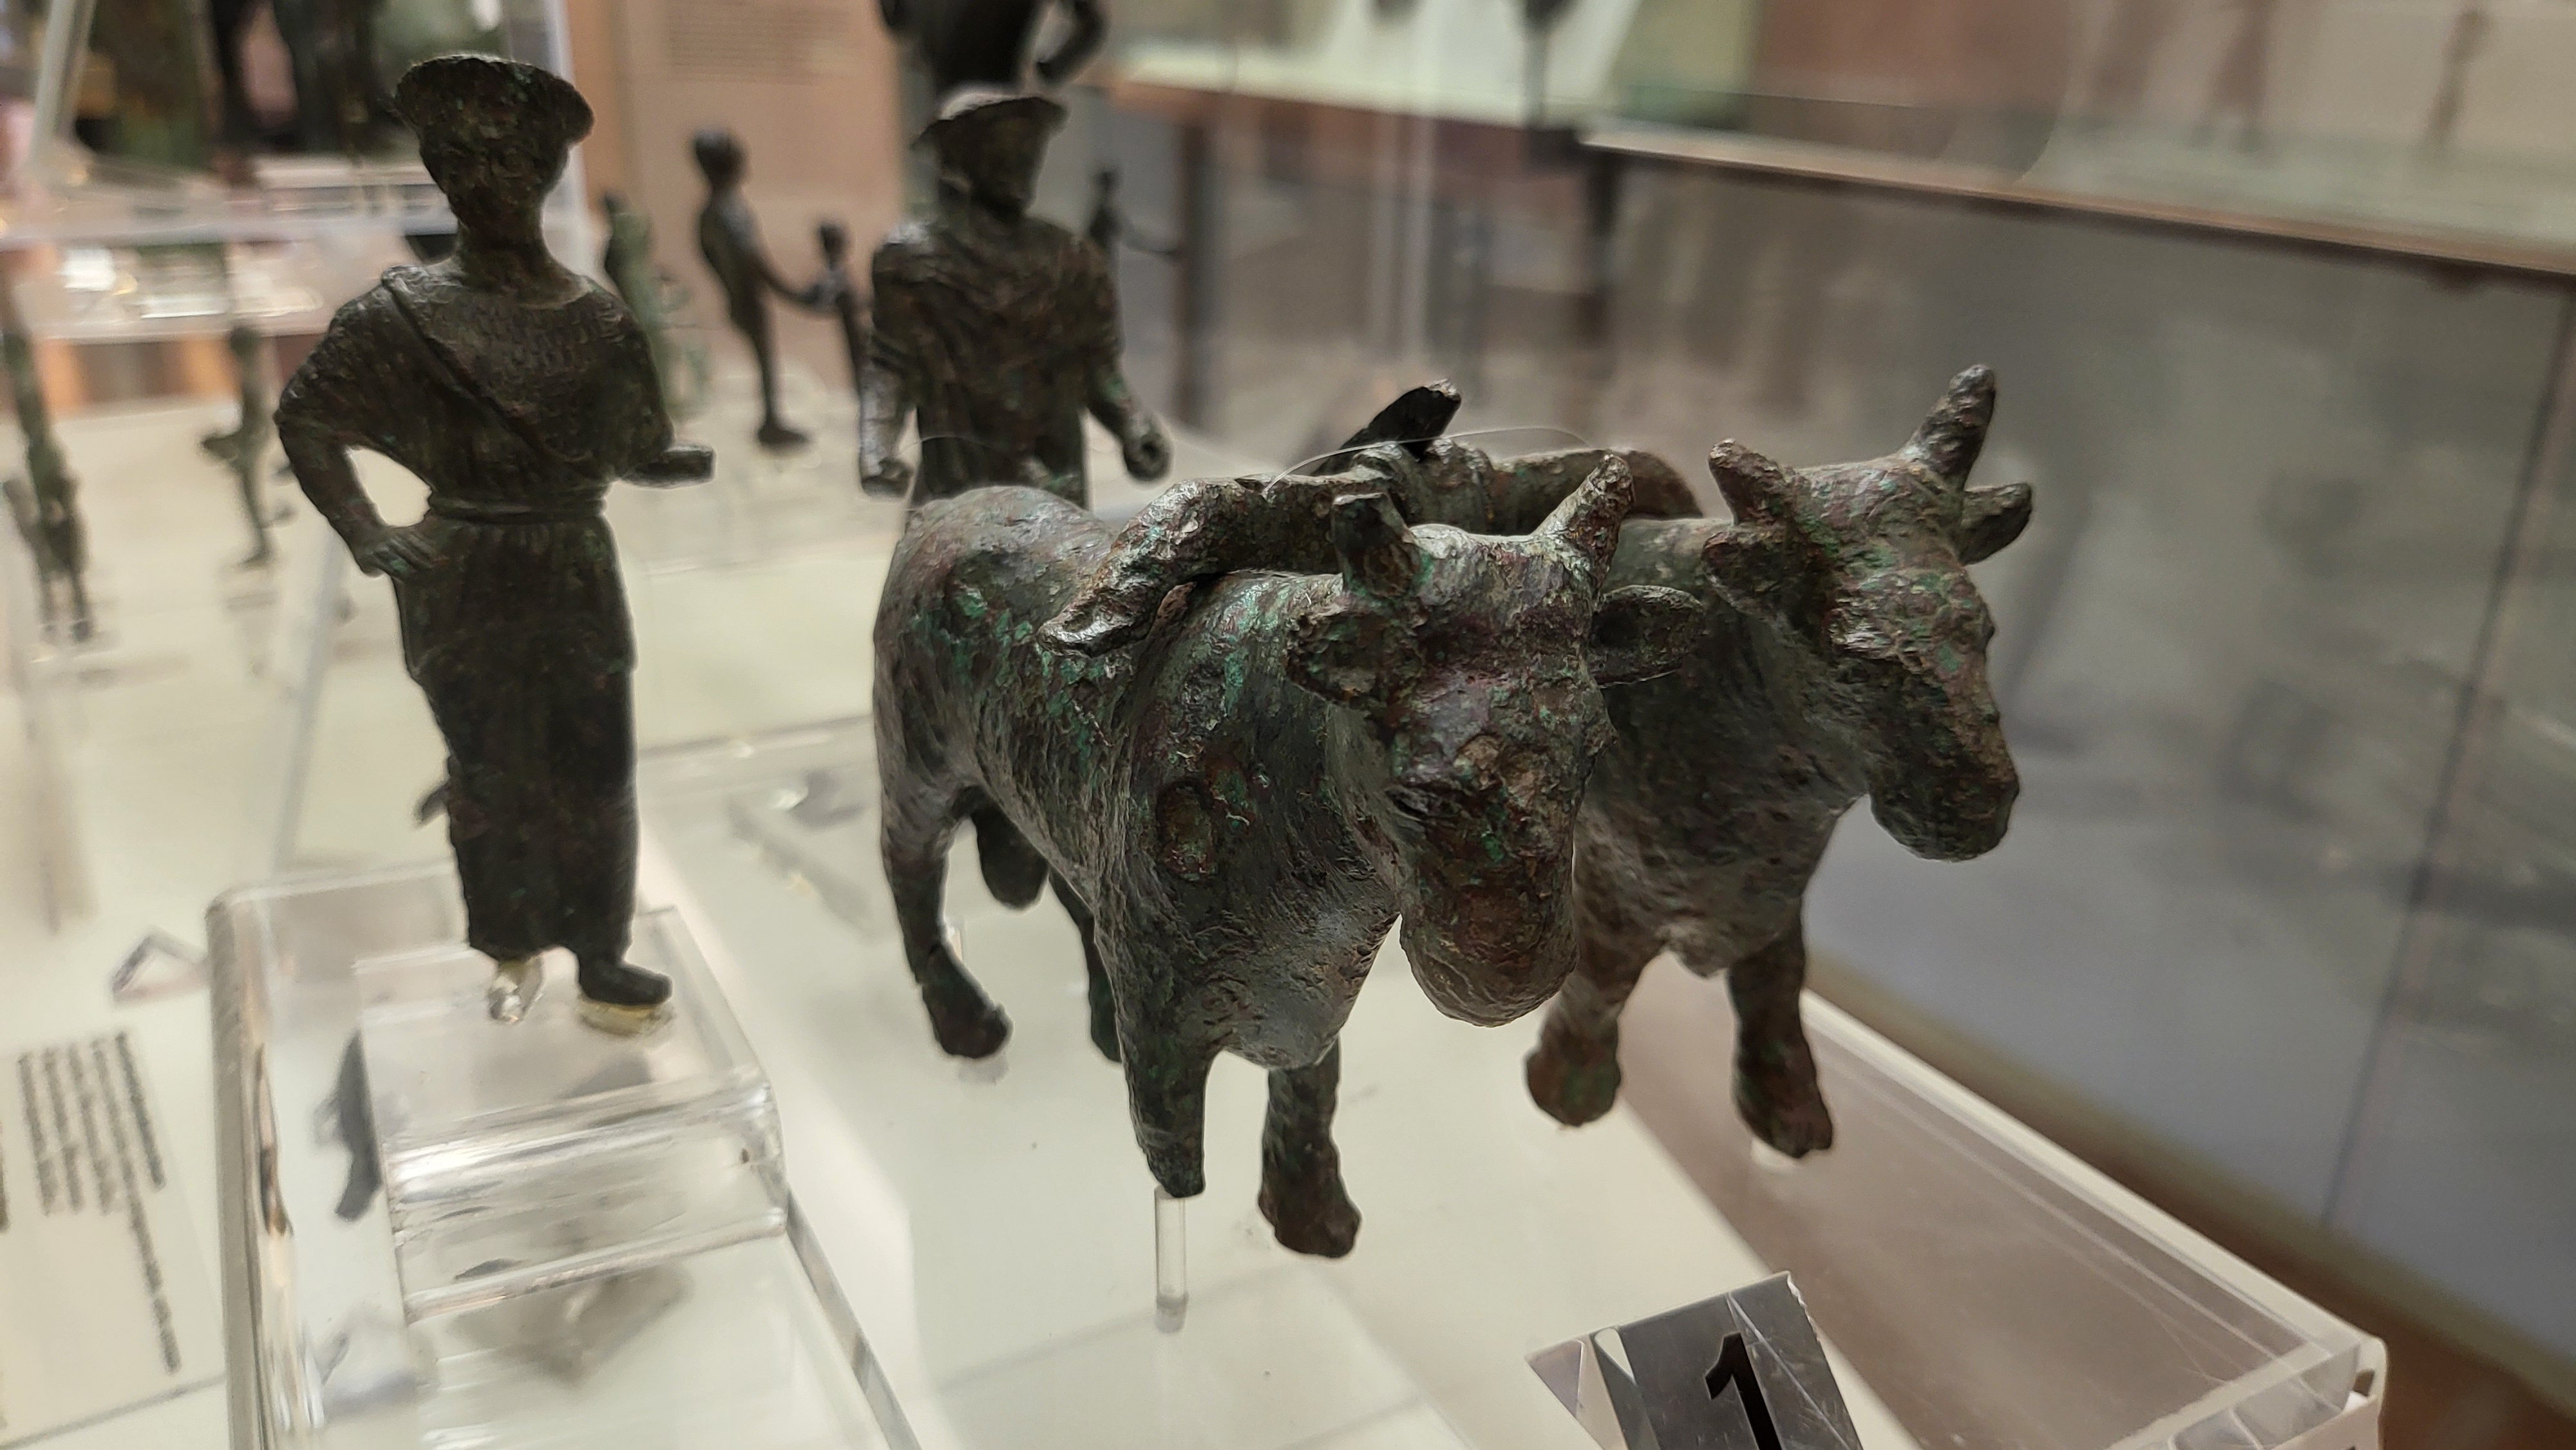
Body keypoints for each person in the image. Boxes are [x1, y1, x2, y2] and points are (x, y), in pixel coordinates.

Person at [277, 54, 713, 1029]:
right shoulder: (400, 318)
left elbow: (634, 447)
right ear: (440, 172)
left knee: (596, 767)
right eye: (466, 162)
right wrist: (367, 532)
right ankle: (509, 941)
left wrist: (676, 464)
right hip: (463, 568)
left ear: (547, 174)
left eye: (513, 163)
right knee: (491, 768)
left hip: (573, 565)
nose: (489, 182)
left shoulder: (600, 322)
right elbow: (306, 417)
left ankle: (601, 951)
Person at [860, 89, 1169, 506]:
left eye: (1028, 150)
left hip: (1054, 483)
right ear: (959, 159)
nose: (1020, 163)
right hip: (957, 485)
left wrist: (1134, 425)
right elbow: (890, 364)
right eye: (1001, 150)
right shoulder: (912, 260)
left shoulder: (1071, 259)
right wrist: (876, 445)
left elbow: (1096, 366)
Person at [692, 128, 826, 451]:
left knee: (764, 358)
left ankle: (771, 419)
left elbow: (706, 253)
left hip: (737, 295)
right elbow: (754, 262)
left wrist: (726, 286)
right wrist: (794, 295)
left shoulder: (710, 212)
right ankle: (771, 422)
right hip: (746, 296)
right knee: (764, 359)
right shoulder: (730, 211)